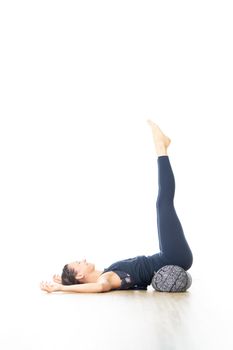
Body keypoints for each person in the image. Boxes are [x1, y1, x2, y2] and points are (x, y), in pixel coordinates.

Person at [40, 120, 193, 293]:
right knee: (163, 203)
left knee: (162, 204)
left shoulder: (106, 272)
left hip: (169, 256)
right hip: (174, 257)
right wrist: (61, 287)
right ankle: (161, 148)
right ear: (81, 276)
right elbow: (100, 287)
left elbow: (92, 281)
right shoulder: (107, 279)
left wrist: (67, 281)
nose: (82, 259)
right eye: (78, 263)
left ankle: (161, 147)